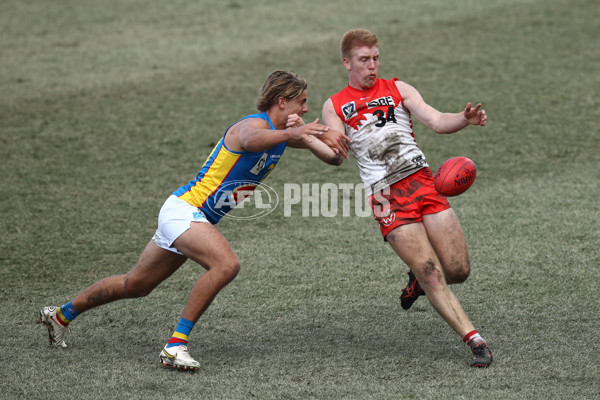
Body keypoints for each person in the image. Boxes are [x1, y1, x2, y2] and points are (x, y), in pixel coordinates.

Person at [39, 70, 343, 372]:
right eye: (301, 102)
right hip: (185, 211)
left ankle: (61, 315)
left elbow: (332, 157)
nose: (305, 108)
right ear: (281, 101)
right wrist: (294, 133)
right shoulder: (252, 127)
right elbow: (252, 141)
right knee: (226, 265)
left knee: (137, 285)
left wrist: (320, 133)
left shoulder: (281, 137)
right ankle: (175, 345)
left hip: (193, 217)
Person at [320, 29, 493, 368]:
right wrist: (308, 137)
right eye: (364, 60)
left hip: (423, 183)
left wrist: (464, 119)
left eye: (375, 58)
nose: (372, 65)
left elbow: (437, 121)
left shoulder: (399, 89)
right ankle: (476, 342)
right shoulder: (335, 105)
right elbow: (336, 155)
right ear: (346, 63)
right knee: (432, 273)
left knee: (458, 270)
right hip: (386, 197)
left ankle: (416, 281)